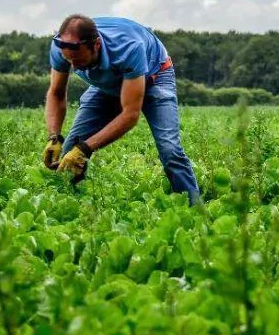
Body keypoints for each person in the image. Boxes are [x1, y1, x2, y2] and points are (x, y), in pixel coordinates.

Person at [41, 14, 201, 206]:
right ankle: (73, 208)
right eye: (70, 61)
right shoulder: (63, 48)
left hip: (155, 76)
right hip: (108, 83)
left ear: (97, 45)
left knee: (170, 150)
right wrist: (54, 136)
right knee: (68, 155)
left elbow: (130, 114)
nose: (74, 67)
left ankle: (194, 208)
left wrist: (85, 148)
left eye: (80, 61)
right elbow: (56, 93)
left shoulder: (128, 47)